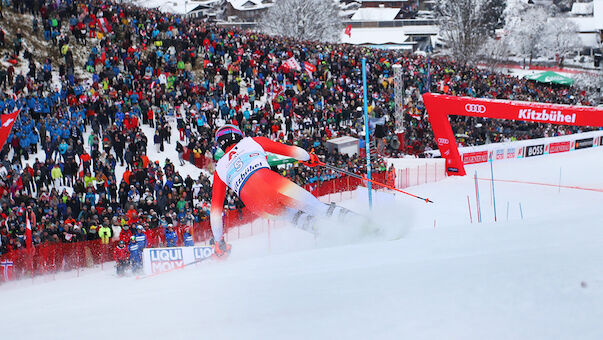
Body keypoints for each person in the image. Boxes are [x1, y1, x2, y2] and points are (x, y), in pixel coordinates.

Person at [210, 125, 352, 257]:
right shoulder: (251, 142)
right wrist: (309, 158)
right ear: (237, 134)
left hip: (257, 206)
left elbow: (215, 213)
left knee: (293, 215)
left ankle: (330, 234)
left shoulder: (219, 168)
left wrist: (219, 241)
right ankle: (357, 224)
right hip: (271, 184)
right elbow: (294, 151)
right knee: (316, 207)